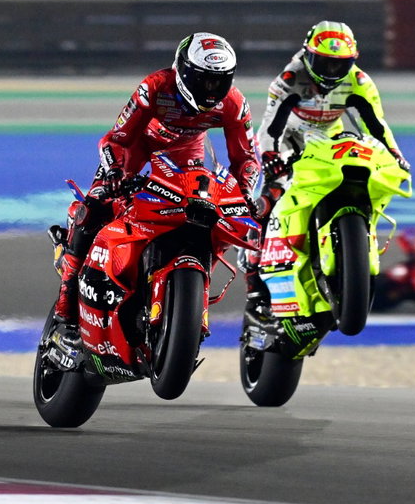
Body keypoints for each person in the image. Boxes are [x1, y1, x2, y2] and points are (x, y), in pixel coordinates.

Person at [50, 32, 259, 326]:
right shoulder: (154, 86)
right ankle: (68, 293)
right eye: (204, 79)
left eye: (219, 80)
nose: (211, 88)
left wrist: (246, 194)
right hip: (137, 147)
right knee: (95, 206)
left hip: (185, 154)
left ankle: (187, 294)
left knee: (205, 214)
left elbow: (246, 158)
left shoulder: (234, 102)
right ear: (183, 72)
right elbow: (116, 139)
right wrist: (113, 172)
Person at [244, 21, 409, 316]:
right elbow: (270, 125)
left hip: (327, 138)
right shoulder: (290, 77)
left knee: (356, 175)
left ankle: (349, 242)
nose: (331, 72)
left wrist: (394, 154)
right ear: (308, 56)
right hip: (287, 140)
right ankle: (254, 279)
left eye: (339, 65)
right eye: (325, 63)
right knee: (270, 198)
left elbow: (376, 125)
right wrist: (270, 156)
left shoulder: (359, 81)